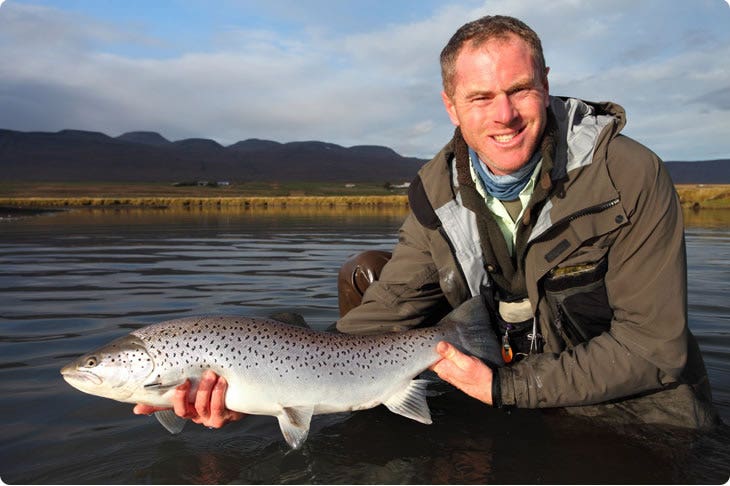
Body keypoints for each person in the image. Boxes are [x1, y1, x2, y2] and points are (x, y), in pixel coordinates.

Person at [135, 15, 718, 429]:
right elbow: (388, 308)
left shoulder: (630, 175)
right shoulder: (436, 187)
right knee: (366, 274)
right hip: (500, 366)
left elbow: (654, 349)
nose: (504, 115)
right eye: (481, 97)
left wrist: (505, 388)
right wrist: (261, 390)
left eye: (520, 90)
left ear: (545, 84)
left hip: (629, 404)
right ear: (451, 105)